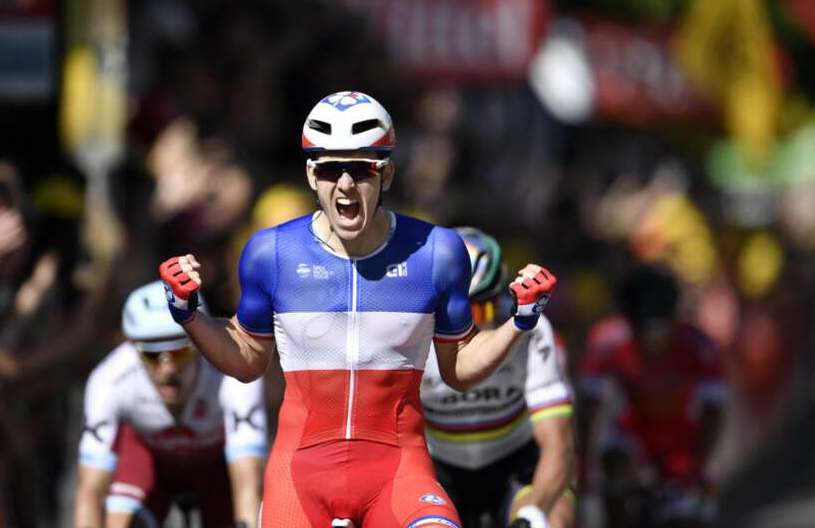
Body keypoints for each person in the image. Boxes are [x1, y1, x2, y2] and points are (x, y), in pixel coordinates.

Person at [159, 91, 558, 527]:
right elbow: (248, 358)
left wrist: (519, 321)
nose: (345, 184)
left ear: (386, 175)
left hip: (397, 472)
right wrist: (188, 313)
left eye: (362, 169)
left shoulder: (437, 252)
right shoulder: (270, 252)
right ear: (311, 175)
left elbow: (459, 366)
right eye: (331, 169)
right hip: (300, 478)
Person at [74, 281, 267, 528]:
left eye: (179, 352)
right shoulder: (109, 379)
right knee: (120, 523)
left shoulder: (232, 374)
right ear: (133, 349)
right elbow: (90, 492)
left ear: (200, 344)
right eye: (151, 354)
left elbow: (248, 481)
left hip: (216, 467)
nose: (167, 370)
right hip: (148, 461)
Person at [421, 227, 576, 528]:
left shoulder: (532, 330)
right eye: (454, 312)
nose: (466, 327)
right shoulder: (414, 333)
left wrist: (534, 513)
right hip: (439, 469)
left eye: (479, 311)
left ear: (503, 298)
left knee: (553, 515)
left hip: (515, 464)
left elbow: (558, 441)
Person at [577, 263, 725, 528]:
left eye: (659, 329)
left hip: (681, 444)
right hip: (632, 440)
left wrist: (699, 464)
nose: (651, 341)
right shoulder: (608, 341)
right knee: (615, 469)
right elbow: (589, 404)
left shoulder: (699, 347)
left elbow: (713, 412)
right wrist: (584, 462)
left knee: (684, 519)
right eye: (642, 330)